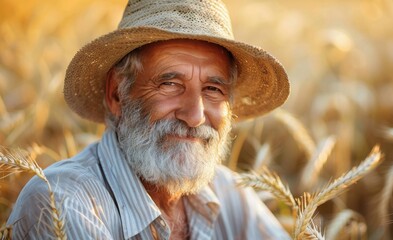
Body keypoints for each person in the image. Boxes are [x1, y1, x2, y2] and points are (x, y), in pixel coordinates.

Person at [7, 0, 291, 239]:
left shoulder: (229, 195)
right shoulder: (61, 201)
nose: (195, 116)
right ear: (117, 94)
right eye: (170, 84)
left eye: (213, 89)